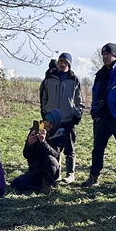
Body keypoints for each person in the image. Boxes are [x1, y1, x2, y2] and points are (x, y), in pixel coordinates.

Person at [82, 43, 116, 187]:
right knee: (97, 150)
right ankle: (93, 177)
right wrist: (93, 110)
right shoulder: (100, 74)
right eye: (103, 54)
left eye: (108, 54)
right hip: (100, 118)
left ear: (115, 55)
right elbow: (95, 93)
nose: (105, 57)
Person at [40, 52, 84, 184]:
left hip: (68, 120)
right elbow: (43, 98)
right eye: (60, 62)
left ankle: (70, 174)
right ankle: (56, 173)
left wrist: (76, 116)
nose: (62, 64)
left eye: (65, 63)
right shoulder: (48, 79)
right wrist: (45, 114)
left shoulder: (74, 80)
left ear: (69, 65)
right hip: (51, 120)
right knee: (53, 147)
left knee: (69, 149)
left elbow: (80, 101)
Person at [11, 109, 67, 194]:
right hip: (36, 170)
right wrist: (29, 144)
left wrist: (43, 143)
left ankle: (47, 184)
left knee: (50, 158)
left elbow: (55, 154)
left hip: (51, 171)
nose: (47, 124)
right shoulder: (36, 130)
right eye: (46, 121)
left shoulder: (60, 135)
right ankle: (38, 187)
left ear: (56, 124)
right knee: (16, 184)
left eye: (51, 122)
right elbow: (26, 155)